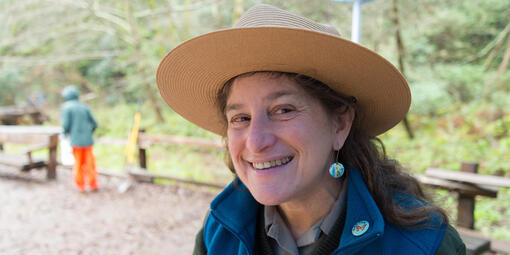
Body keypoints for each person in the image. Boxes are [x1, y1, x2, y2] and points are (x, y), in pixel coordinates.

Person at [156, 4, 465, 255]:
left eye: (283, 110)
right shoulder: (220, 231)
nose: (256, 141)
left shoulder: (423, 245)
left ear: (340, 124)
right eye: (241, 118)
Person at [61, 85, 99, 192]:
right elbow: (94, 124)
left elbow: (65, 125)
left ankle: (80, 185)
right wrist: (88, 133)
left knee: (78, 164)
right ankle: (93, 184)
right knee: (90, 163)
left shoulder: (67, 107)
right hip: (88, 141)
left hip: (76, 141)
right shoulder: (84, 106)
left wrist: (65, 134)